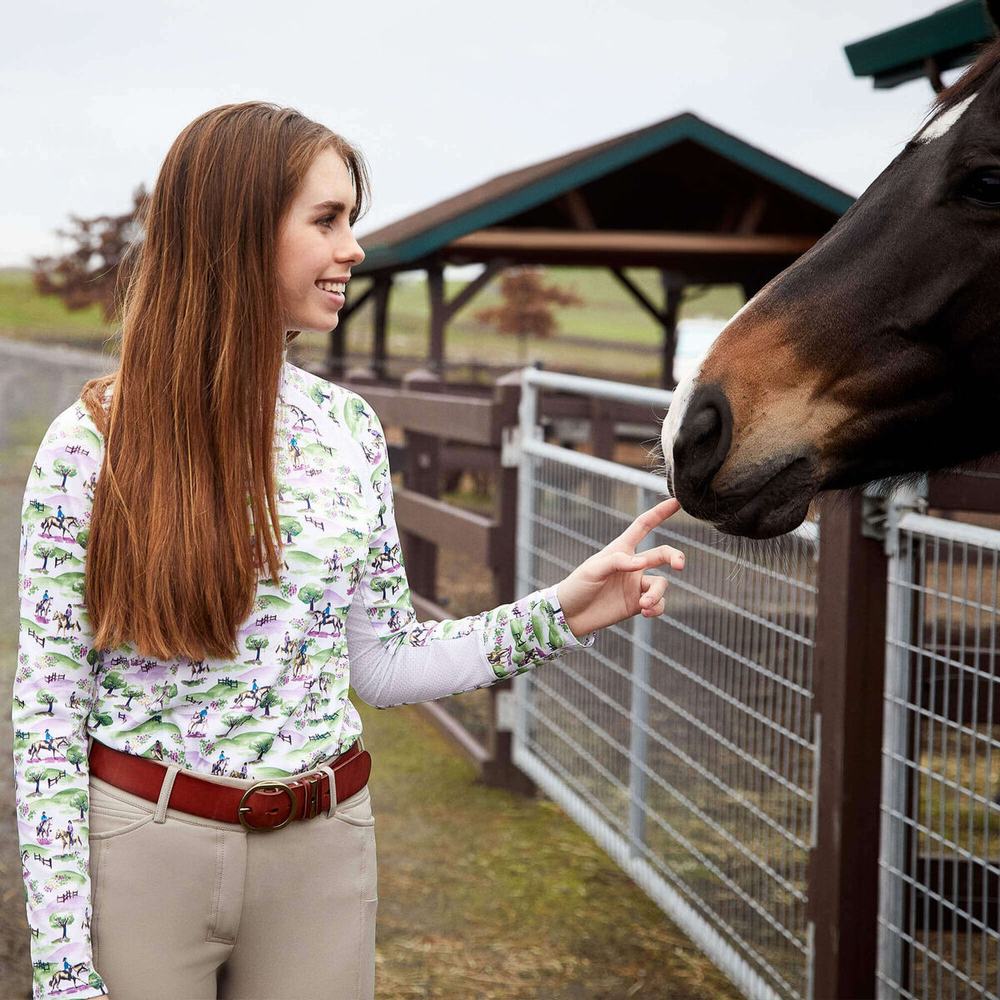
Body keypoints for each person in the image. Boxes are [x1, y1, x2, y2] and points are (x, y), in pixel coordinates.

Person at [12, 101, 685, 1000]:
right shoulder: (89, 442)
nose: (354, 248)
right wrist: (63, 970)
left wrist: (560, 613)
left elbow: (383, 662)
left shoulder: (348, 432)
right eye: (326, 220)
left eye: (350, 220)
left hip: (323, 854)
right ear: (237, 233)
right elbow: (49, 713)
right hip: (141, 850)